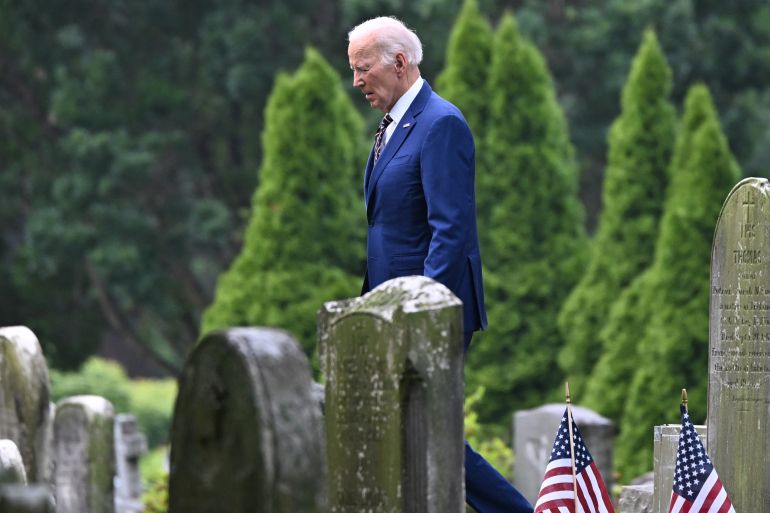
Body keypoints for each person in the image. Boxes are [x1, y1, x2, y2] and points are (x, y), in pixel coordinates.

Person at [348, 16, 534, 513]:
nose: (357, 81)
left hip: (429, 310)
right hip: (390, 309)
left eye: (363, 69)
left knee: (431, 430)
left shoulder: (440, 123)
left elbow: (451, 231)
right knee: (410, 429)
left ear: (400, 62)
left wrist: (422, 312)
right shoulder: (391, 129)